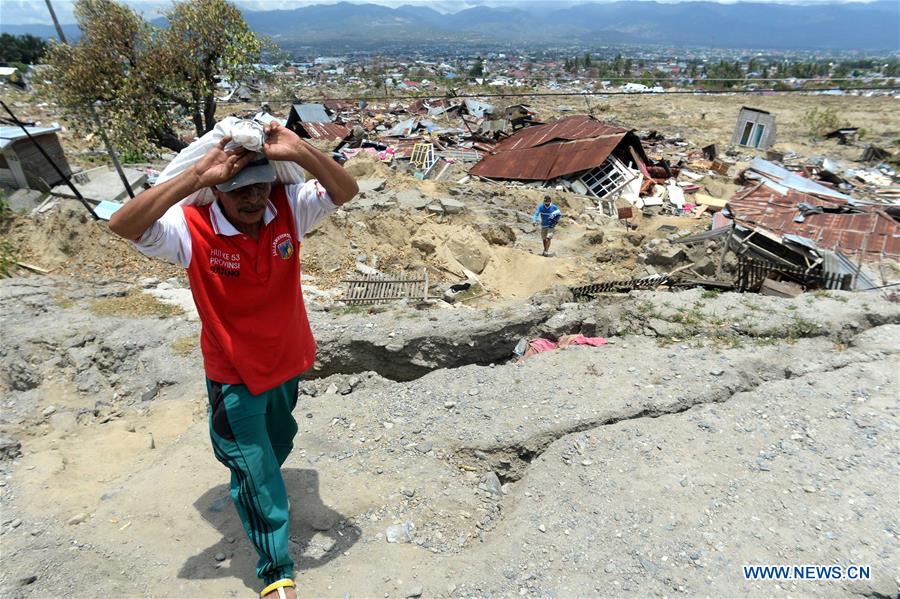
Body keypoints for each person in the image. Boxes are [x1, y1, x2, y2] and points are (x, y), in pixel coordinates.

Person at [108, 122, 358, 599]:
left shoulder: (289, 209)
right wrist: (196, 176)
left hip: (287, 360)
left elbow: (346, 190)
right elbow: (122, 225)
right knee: (257, 467)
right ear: (217, 189)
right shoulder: (189, 229)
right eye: (239, 189)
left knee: (280, 440)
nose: (252, 199)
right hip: (234, 373)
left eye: (261, 185)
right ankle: (275, 570)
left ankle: (251, 483)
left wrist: (301, 150)